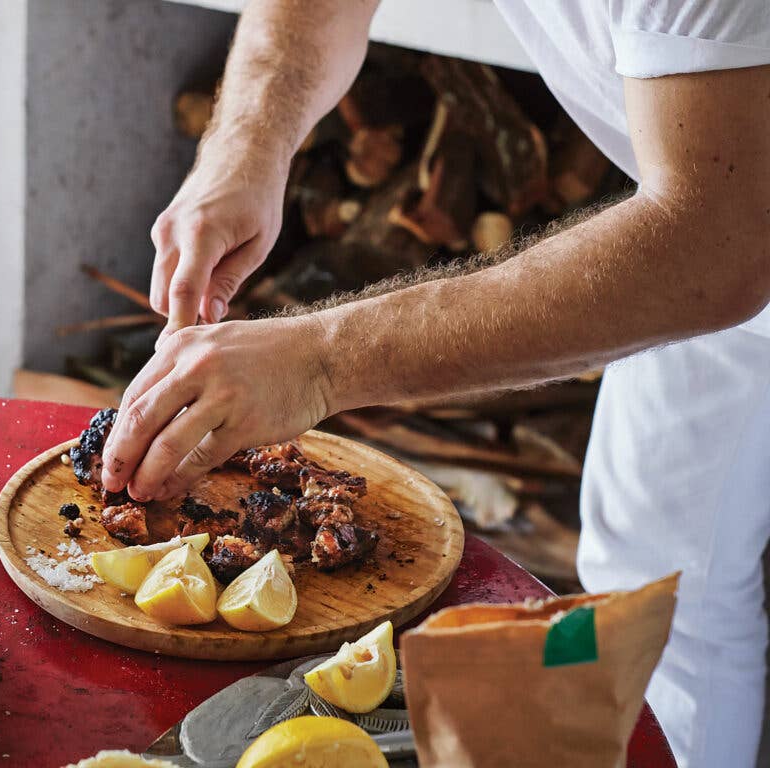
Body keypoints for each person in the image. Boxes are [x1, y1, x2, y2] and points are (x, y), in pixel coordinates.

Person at [101, 2, 770, 765]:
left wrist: (318, 360)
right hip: (731, 200)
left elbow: (715, 243)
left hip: (723, 225)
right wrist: (244, 148)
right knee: (658, 566)